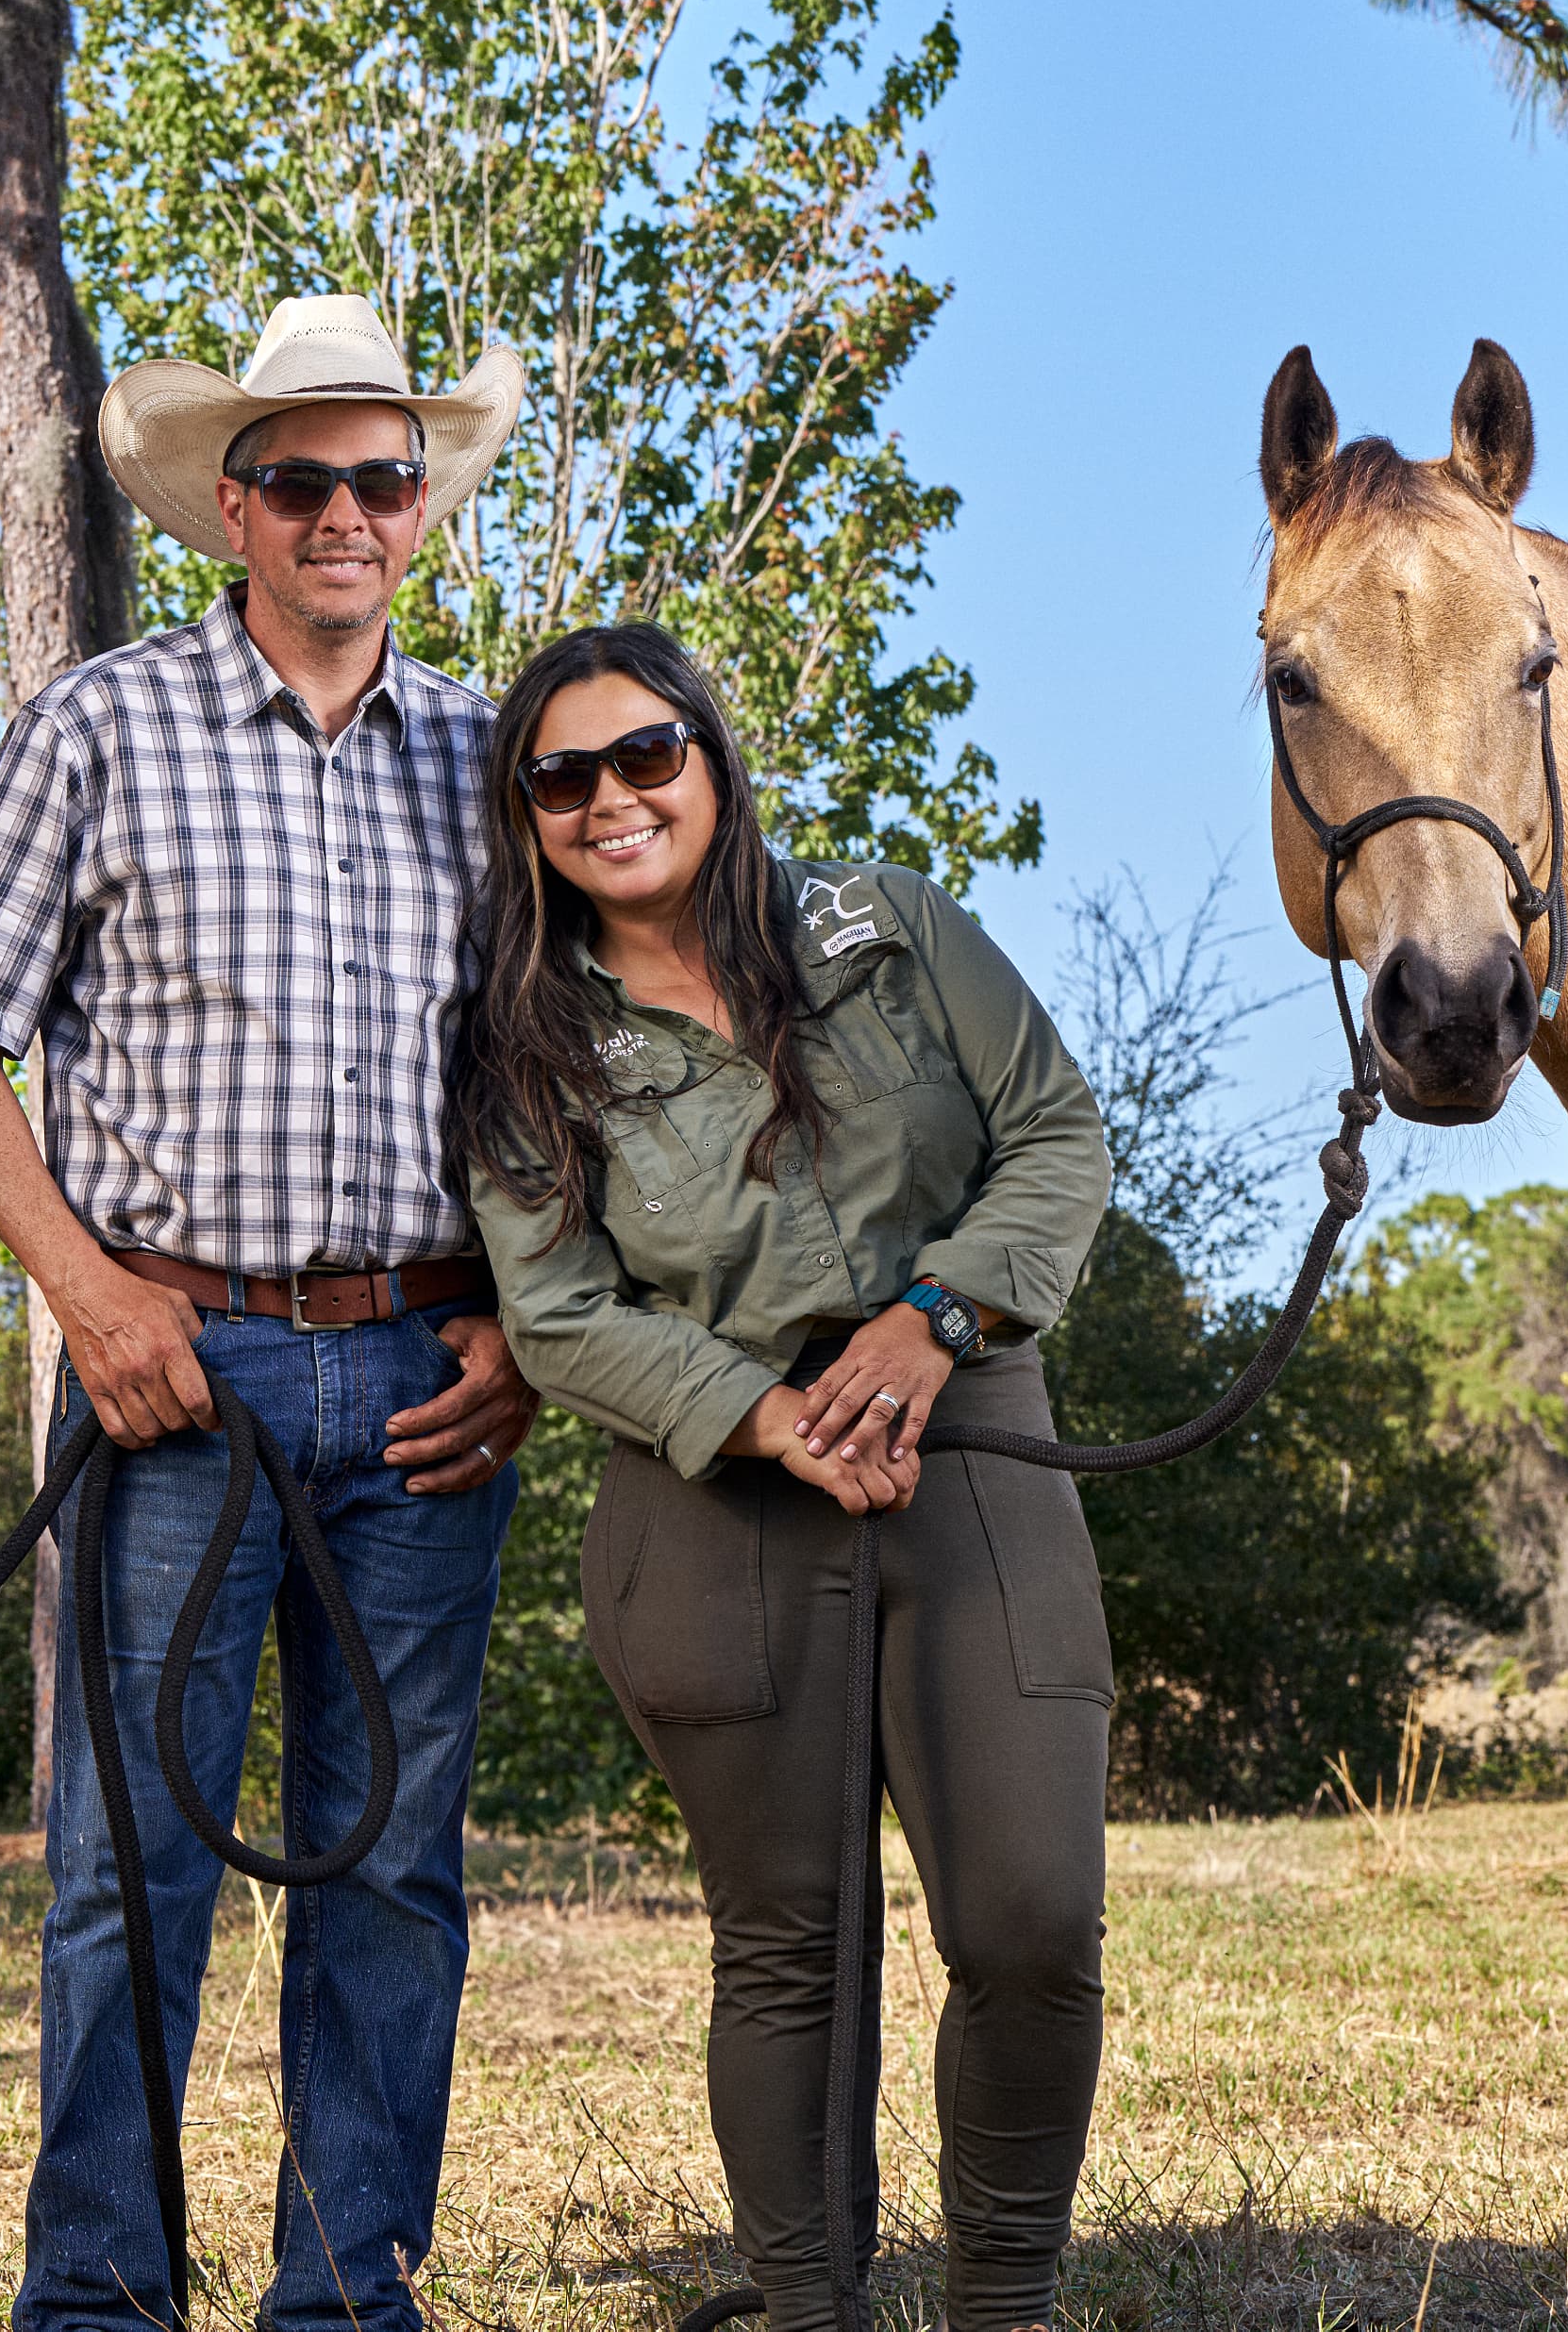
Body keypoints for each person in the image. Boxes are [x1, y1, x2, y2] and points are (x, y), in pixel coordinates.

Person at [0, 293, 543, 2332]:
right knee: (129, 1872)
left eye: (385, 476)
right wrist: (86, 1294)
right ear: (233, 511)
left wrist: (532, 1328)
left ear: (421, 507)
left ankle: (348, 2299)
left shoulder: (494, 752)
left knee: (396, 1873)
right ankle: (94, 2297)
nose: (349, 512)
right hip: (176, 1372)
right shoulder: (101, 726)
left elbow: (563, 1070)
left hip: (435, 1374)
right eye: (305, 480)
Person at [447, 623, 1117, 2332]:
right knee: (790, 1946)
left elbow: (1056, 1134)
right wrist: (767, 1415)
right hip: (714, 1490)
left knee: (1031, 1915)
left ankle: (1003, 2304)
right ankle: (810, 2307)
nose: (613, 798)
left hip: (970, 1437)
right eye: (563, 776)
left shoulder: (891, 930)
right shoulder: (523, 1040)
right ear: (528, 817)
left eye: (646, 753)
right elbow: (559, 1308)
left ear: (713, 758)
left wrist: (931, 1318)